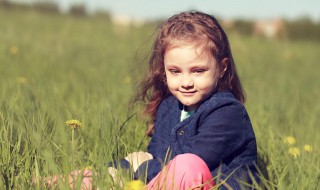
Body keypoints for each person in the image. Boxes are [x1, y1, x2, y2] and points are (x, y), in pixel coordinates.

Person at [40, 10, 258, 190]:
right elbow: (153, 157)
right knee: (102, 173)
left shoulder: (227, 113)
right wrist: (115, 169)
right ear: (163, 71)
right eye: (175, 71)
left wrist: (137, 169)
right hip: (164, 181)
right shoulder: (169, 108)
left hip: (208, 183)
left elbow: (188, 161)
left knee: (186, 165)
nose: (186, 82)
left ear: (222, 67)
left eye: (198, 71)